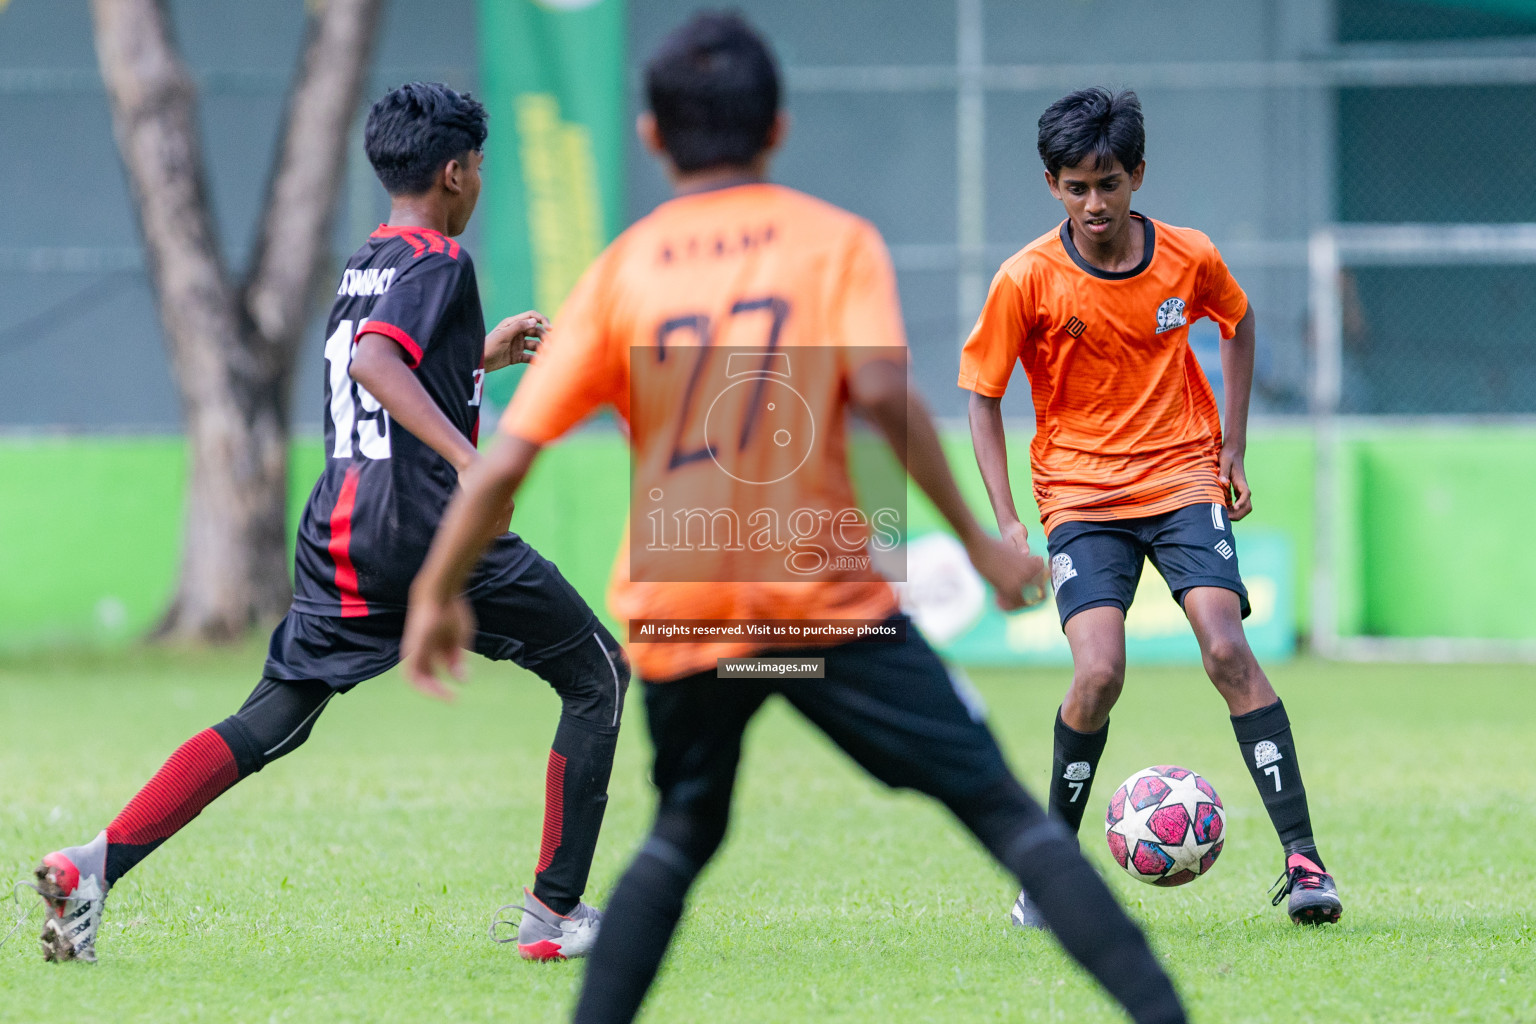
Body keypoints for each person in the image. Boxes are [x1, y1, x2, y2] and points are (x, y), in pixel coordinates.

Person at [403, 16, 1189, 1024]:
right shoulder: (832, 242)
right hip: (824, 600)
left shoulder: (624, 268)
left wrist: (434, 591)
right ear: (776, 128)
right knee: (1000, 808)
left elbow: (508, 455)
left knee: (682, 831)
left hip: (686, 607)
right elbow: (888, 400)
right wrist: (985, 543)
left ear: (651, 137)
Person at [31, 82, 628, 965]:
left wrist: (478, 361)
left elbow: (381, 368)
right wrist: (472, 463)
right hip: (423, 530)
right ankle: (554, 913)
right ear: (458, 172)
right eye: (480, 171)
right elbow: (377, 361)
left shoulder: (367, 262)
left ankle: (97, 864)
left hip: (341, 533)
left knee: (276, 714)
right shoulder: (439, 261)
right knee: (599, 676)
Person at [961, 87, 1341, 929]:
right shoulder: (1026, 278)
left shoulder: (1188, 257)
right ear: (1052, 186)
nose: (1093, 204)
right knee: (1097, 674)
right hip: (1080, 495)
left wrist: (1232, 445)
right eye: (1074, 186)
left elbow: (1237, 327)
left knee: (1227, 649)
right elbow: (982, 398)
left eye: (1107, 182)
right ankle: (1050, 877)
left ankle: (1306, 862)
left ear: (1137, 174)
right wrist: (1007, 520)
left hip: (1181, 481)